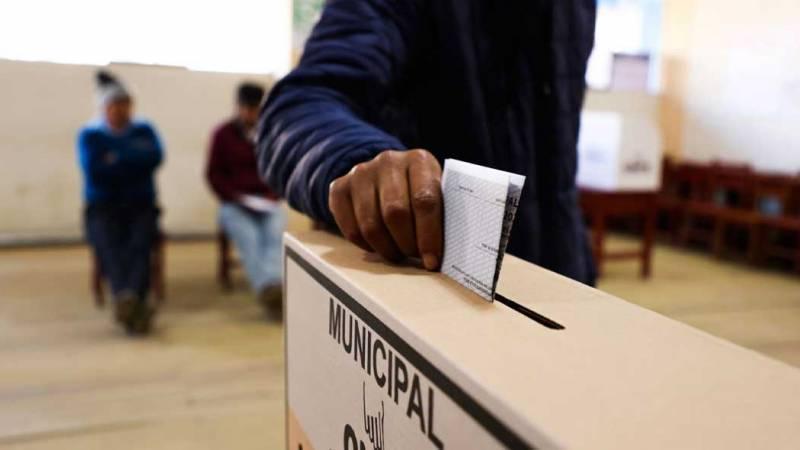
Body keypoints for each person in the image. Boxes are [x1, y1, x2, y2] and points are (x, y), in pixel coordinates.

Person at [256, 1, 597, 285]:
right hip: (435, 282)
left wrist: (579, 266)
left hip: (561, 273)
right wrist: (363, 161)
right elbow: (299, 105)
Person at [78, 71, 164, 334]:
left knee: (141, 242)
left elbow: (154, 158)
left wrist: (116, 158)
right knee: (109, 244)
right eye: (115, 104)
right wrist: (133, 159)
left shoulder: (144, 130)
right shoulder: (91, 136)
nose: (120, 109)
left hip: (140, 205)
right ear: (104, 107)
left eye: (125, 103)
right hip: (103, 207)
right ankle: (130, 298)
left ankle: (130, 299)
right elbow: (96, 172)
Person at [206, 82, 284, 314]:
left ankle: (272, 284)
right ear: (238, 107)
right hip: (235, 203)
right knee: (249, 238)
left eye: (256, 109)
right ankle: (268, 288)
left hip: (267, 202)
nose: (251, 114)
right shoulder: (222, 134)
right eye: (247, 108)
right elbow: (214, 174)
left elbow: (279, 171)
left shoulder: (271, 134)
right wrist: (234, 196)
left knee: (275, 235)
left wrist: (272, 195)